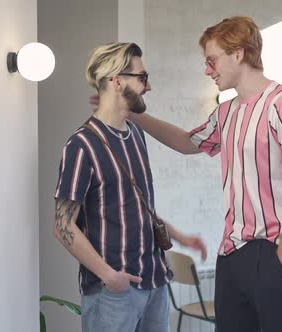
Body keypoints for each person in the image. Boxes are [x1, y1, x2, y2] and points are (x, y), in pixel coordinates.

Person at [127, 16, 282, 332]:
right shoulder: (226, 112)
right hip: (231, 254)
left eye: (212, 60)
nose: (207, 70)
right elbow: (188, 142)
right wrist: (134, 116)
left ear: (239, 54)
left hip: (274, 252)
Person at [54, 42, 207, 332]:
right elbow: (63, 226)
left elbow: (133, 207)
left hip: (156, 283)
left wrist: (180, 236)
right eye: (142, 77)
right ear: (116, 80)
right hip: (113, 293)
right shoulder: (81, 145)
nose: (148, 86)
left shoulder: (135, 134)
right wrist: (110, 277)